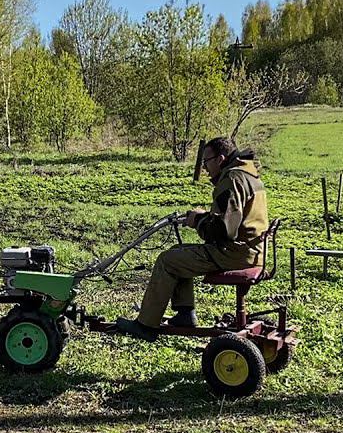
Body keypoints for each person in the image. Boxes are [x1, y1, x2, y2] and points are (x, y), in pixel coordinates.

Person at [116, 137, 270, 341]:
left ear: (221, 159)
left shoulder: (231, 179)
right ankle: (184, 314)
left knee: (167, 260)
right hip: (252, 250)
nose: (204, 168)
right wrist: (205, 215)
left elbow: (224, 231)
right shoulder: (248, 174)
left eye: (206, 161)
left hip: (234, 253)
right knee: (178, 252)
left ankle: (145, 325)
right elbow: (235, 217)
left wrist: (198, 221)